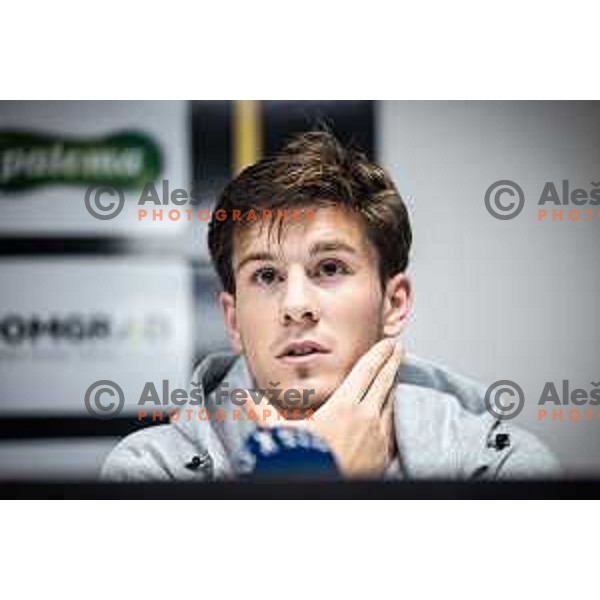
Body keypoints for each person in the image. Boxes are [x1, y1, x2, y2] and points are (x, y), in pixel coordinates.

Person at [101, 131, 559, 481]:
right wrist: (317, 477)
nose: (296, 305)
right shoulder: (149, 470)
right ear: (233, 319)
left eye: (330, 268)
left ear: (394, 303)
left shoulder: (501, 464)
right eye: (266, 276)